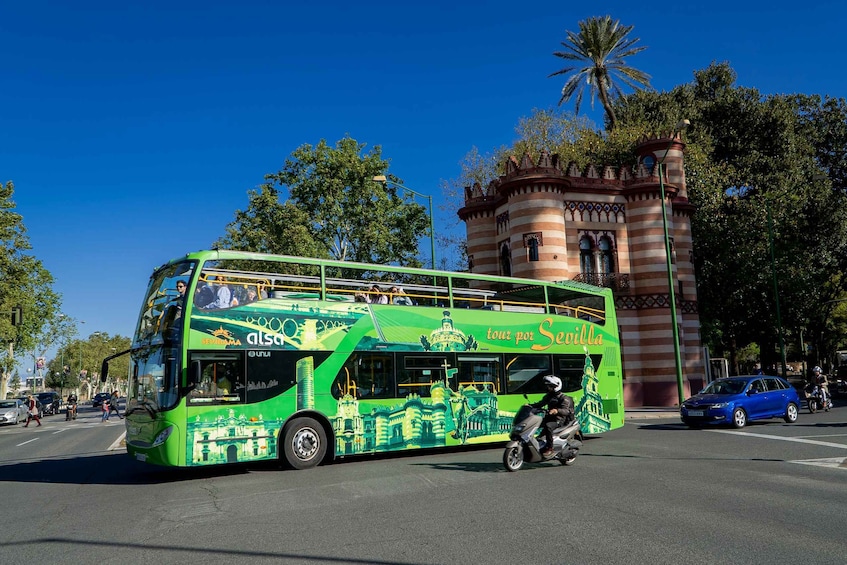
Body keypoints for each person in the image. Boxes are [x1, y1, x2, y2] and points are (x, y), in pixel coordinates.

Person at [530, 375, 574, 457]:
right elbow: (541, 403)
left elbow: (566, 411)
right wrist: (530, 406)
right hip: (549, 418)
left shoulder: (564, 398)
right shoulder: (549, 396)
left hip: (559, 420)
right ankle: (538, 442)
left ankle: (550, 448)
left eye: (550, 386)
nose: (548, 388)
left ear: (556, 386)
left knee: (548, 426)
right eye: (547, 386)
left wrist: (557, 411)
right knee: (534, 423)